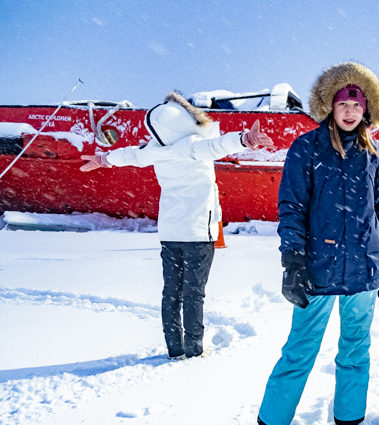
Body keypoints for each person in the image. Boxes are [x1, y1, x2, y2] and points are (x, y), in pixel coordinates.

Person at [238, 62, 379, 425]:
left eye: (356, 104)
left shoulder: (371, 154)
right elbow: (291, 207)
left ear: (366, 110)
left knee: (355, 348)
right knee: (300, 349)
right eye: (343, 103)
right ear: (329, 105)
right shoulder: (306, 148)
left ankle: (348, 421)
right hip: (318, 270)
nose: (349, 111)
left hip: (364, 269)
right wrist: (292, 261)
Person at [80, 92, 273, 359]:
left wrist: (103, 160)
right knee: (194, 294)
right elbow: (219, 146)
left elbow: (130, 155)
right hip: (197, 234)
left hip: (170, 234)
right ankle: (194, 350)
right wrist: (245, 139)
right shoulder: (193, 146)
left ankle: (174, 348)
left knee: (171, 293)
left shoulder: (155, 151)